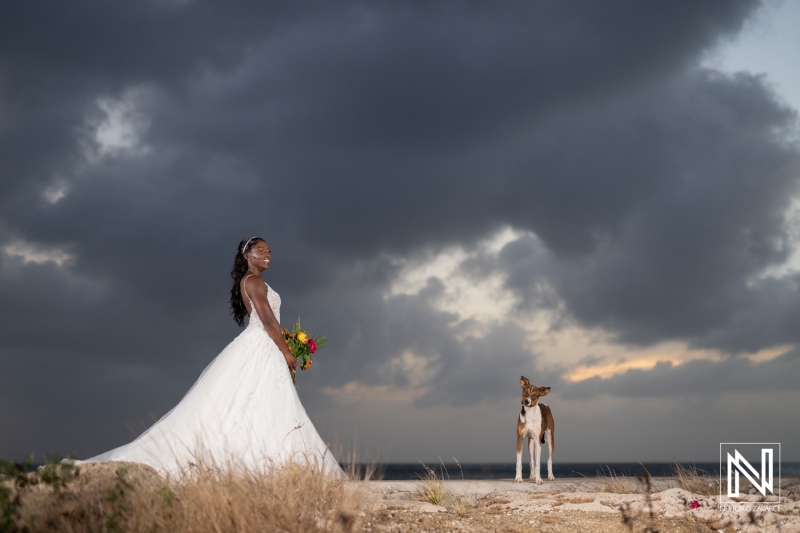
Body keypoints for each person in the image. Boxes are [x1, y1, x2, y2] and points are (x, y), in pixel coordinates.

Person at [74, 237, 345, 478]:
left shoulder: (250, 282)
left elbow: (270, 321)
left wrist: (284, 344)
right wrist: (287, 351)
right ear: (246, 256)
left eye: (270, 251)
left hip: (261, 346)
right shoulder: (254, 281)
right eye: (261, 250)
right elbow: (267, 320)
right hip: (261, 346)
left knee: (253, 404)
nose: (268, 254)